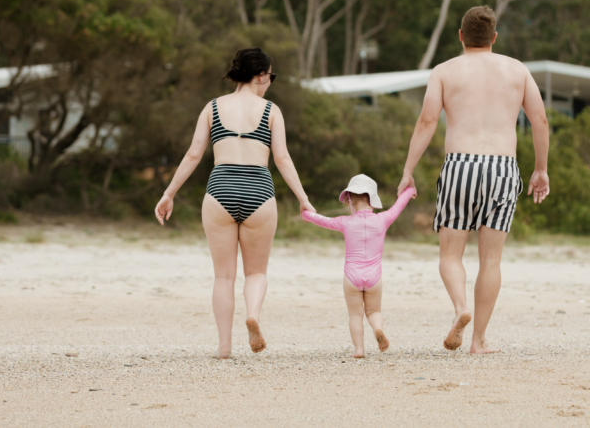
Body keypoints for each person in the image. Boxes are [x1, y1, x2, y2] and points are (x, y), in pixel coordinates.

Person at [397, 6, 550, 354]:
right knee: (491, 260)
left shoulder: (444, 71)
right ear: (494, 38)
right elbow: (539, 121)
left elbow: (426, 123)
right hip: (503, 167)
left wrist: (408, 170)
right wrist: (540, 169)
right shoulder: (517, 70)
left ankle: (459, 308)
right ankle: (479, 341)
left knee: (451, 254)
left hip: (460, 164)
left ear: (461, 36)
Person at [154, 47, 313, 359]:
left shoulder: (212, 108)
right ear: (260, 75)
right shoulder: (271, 111)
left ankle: (224, 348)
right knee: (256, 272)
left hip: (220, 188)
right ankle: (252, 313)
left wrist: (168, 193)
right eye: (271, 76)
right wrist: (304, 200)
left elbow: (193, 154)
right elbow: (281, 158)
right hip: (259, 190)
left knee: (223, 276)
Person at [302, 175, 414, 358]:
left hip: (352, 278)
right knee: (374, 311)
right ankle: (377, 329)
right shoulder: (383, 219)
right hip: (374, 277)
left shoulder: (344, 222)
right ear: (372, 199)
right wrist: (409, 190)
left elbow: (322, 220)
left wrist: (306, 214)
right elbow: (398, 206)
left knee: (355, 315)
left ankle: (359, 350)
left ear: (349, 200)